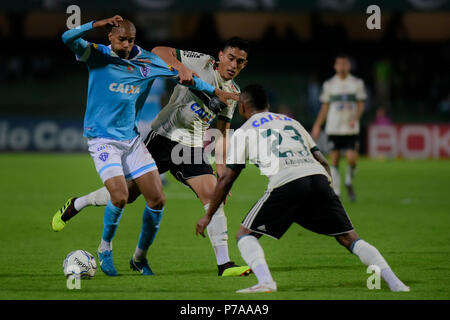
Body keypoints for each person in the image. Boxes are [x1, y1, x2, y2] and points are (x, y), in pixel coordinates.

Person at [53, 36, 251, 277]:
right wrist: (180, 68)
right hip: (163, 138)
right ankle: (78, 203)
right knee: (127, 195)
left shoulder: (232, 92)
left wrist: (221, 169)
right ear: (220, 55)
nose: (234, 64)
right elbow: (158, 50)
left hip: (191, 149)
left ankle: (223, 264)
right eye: (230, 58)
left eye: (240, 62)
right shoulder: (201, 63)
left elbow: (220, 132)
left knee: (214, 197)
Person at [196, 84, 410, 294]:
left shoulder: (244, 131)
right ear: (268, 104)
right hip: (317, 179)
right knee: (349, 238)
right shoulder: (292, 122)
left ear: (242, 106)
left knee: (245, 234)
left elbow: (226, 179)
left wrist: (208, 215)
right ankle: (396, 283)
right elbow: (323, 161)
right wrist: (329, 194)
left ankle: (266, 282)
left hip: (287, 182)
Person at [311, 54, 366, 202]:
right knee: (334, 160)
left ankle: (348, 180)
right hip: (334, 127)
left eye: (345, 64)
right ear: (335, 67)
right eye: (339, 64)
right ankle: (337, 192)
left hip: (350, 128)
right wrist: (317, 124)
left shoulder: (356, 83)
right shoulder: (329, 85)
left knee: (352, 160)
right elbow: (325, 107)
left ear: (349, 66)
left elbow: (361, 103)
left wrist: (356, 117)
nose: (342, 67)